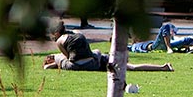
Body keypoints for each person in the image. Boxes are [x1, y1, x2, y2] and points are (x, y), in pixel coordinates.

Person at [42, 23, 172, 72]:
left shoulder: (60, 41)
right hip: (94, 62)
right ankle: (162, 67)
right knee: (130, 67)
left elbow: (69, 58)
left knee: (59, 58)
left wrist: (56, 59)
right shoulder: (77, 33)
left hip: (78, 65)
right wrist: (97, 54)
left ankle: (51, 64)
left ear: (56, 33)